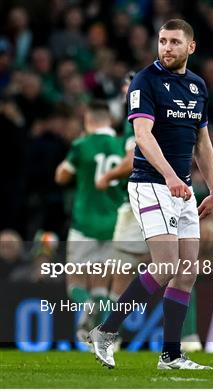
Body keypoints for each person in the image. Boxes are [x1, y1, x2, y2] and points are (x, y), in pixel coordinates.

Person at [87, 19, 213, 370]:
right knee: (166, 266)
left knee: (187, 271)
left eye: (175, 42)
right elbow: (143, 136)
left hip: (184, 187)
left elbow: (202, 141)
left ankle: (171, 354)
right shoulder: (145, 81)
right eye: (162, 41)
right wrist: (171, 175)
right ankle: (105, 331)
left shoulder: (197, 86)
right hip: (151, 183)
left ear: (191, 47)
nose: (167, 48)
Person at [96, 71, 203, 352]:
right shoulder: (141, 114)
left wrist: (107, 178)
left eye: (127, 84)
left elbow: (133, 157)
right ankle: (181, 339)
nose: (125, 89)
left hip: (145, 199)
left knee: (139, 269)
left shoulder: (145, 114)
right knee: (176, 266)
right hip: (154, 195)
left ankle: (111, 333)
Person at [55, 100, 125, 342]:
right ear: (110, 121)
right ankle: (105, 337)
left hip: (84, 225)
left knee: (75, 281)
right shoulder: (121, 147)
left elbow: (61, 176)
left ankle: (86, 308)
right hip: (114, 226)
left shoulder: (81, 145)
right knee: (101, 285)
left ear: (88, 120)